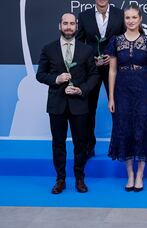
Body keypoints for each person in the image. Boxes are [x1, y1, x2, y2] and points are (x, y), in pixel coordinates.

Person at [36, 13, 99, 194]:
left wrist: (82, 90)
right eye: (66, 23)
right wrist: (56, 78)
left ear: (76, 27)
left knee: (81, 143)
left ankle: (79, 178)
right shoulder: (48, 49)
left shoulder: (86, 50)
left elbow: (94, 75)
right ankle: (60, 179)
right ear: (60, 26)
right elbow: (40, 74)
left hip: (79, 104)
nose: (69, 27)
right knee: (58, 143)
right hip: (57, 104)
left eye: (72, 23)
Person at [106, 4, 147, 192]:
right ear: (124, 20)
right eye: (127, 18)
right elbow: (112, 70)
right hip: (122, 90)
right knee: (124, 129)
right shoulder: (115, 41)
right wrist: (111, 97)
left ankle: (140, 175)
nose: (130, 21)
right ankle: (129, 174)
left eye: (134, 17)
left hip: (143, 89)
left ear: (140, 19)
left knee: (142, 129)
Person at [77, 0, 125, 158]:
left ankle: (119, 145)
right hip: (92, 69)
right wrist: (91, 60)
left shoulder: (121, 15)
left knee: (118, 106)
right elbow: (79, 44)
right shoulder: (84, 16)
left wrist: (114, 57)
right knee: (89, 108)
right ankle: (88, 146)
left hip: (115, 67)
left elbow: (124, 40)